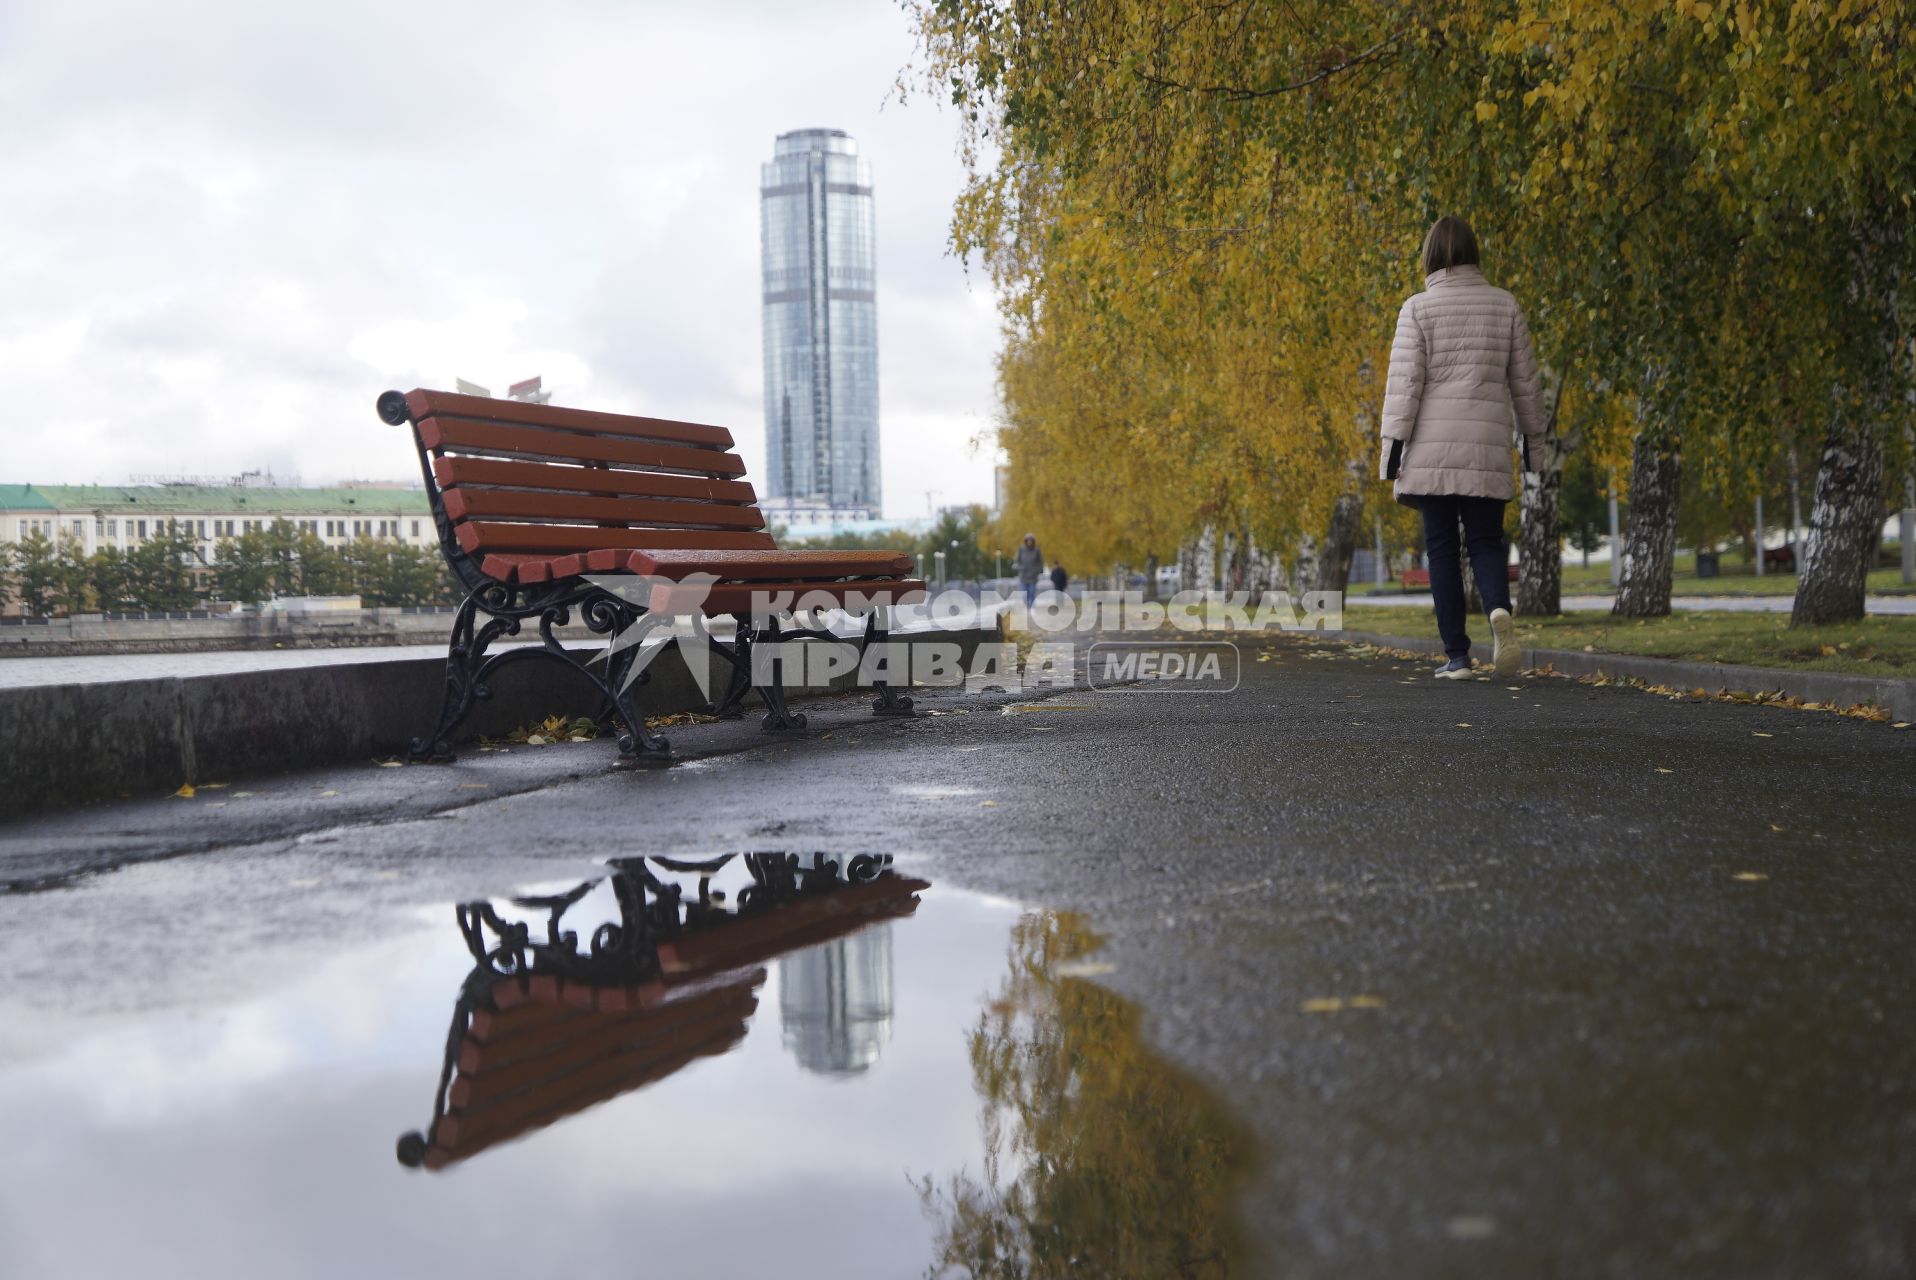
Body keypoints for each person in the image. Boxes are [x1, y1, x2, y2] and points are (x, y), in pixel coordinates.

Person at [1379, 215, 1545, 680]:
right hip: (1487, 448)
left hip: (1432, 453)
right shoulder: (1505, 305)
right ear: (1475, 253)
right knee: (1486, 542)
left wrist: (1391, 454)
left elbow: (1403, 387)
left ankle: (1457, 657)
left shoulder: (1417, 309)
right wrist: (1534, 448)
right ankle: (1497, 609)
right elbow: (1526, 386)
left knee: (1443, 551)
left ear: (1430, 256)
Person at [1014, 533, 1045, 607]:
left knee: (1032, 592)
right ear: (1026, 541)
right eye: (1028, 540)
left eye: (1031, 540)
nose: (1029, 542)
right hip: (1023, 576)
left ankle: (1032, 607)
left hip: (1033, 577)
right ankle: (1026, 606)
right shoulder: (1021, 549)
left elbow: (1040, 562)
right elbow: (1017, 561)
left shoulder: (1037, 550)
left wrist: (1037, 570)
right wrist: (1020, 567)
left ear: (1033, 541)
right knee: (1024, 593)